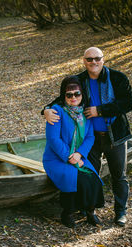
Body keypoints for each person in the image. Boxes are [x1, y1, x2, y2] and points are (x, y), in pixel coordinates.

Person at [42, 47, 132, 227]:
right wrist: (45, 110)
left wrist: (99, 110)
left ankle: (120, 211)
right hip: (92, 139)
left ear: (103, 59)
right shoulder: (81, 80)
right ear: (84, 61)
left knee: (118, 175)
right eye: (89, 59)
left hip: (115, 135)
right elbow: (64, 97)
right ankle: (88, 209)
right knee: (92, 172)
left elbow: (127, 104)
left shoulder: (117, 78)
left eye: (97, 58)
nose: (94, 62)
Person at [43, 75, 105, 228]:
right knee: (74, 179)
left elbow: (90, 137)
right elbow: (53, 139)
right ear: (63, 96)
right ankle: (68, 212)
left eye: (77, 93)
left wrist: (79, 155)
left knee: (93, 178)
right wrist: (69, 156)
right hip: (57, 158)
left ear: (82, 94)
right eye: (68, 94)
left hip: (78, 155)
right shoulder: (56, 111)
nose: (73, 97)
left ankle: (90, 211)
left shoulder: (86, 113)